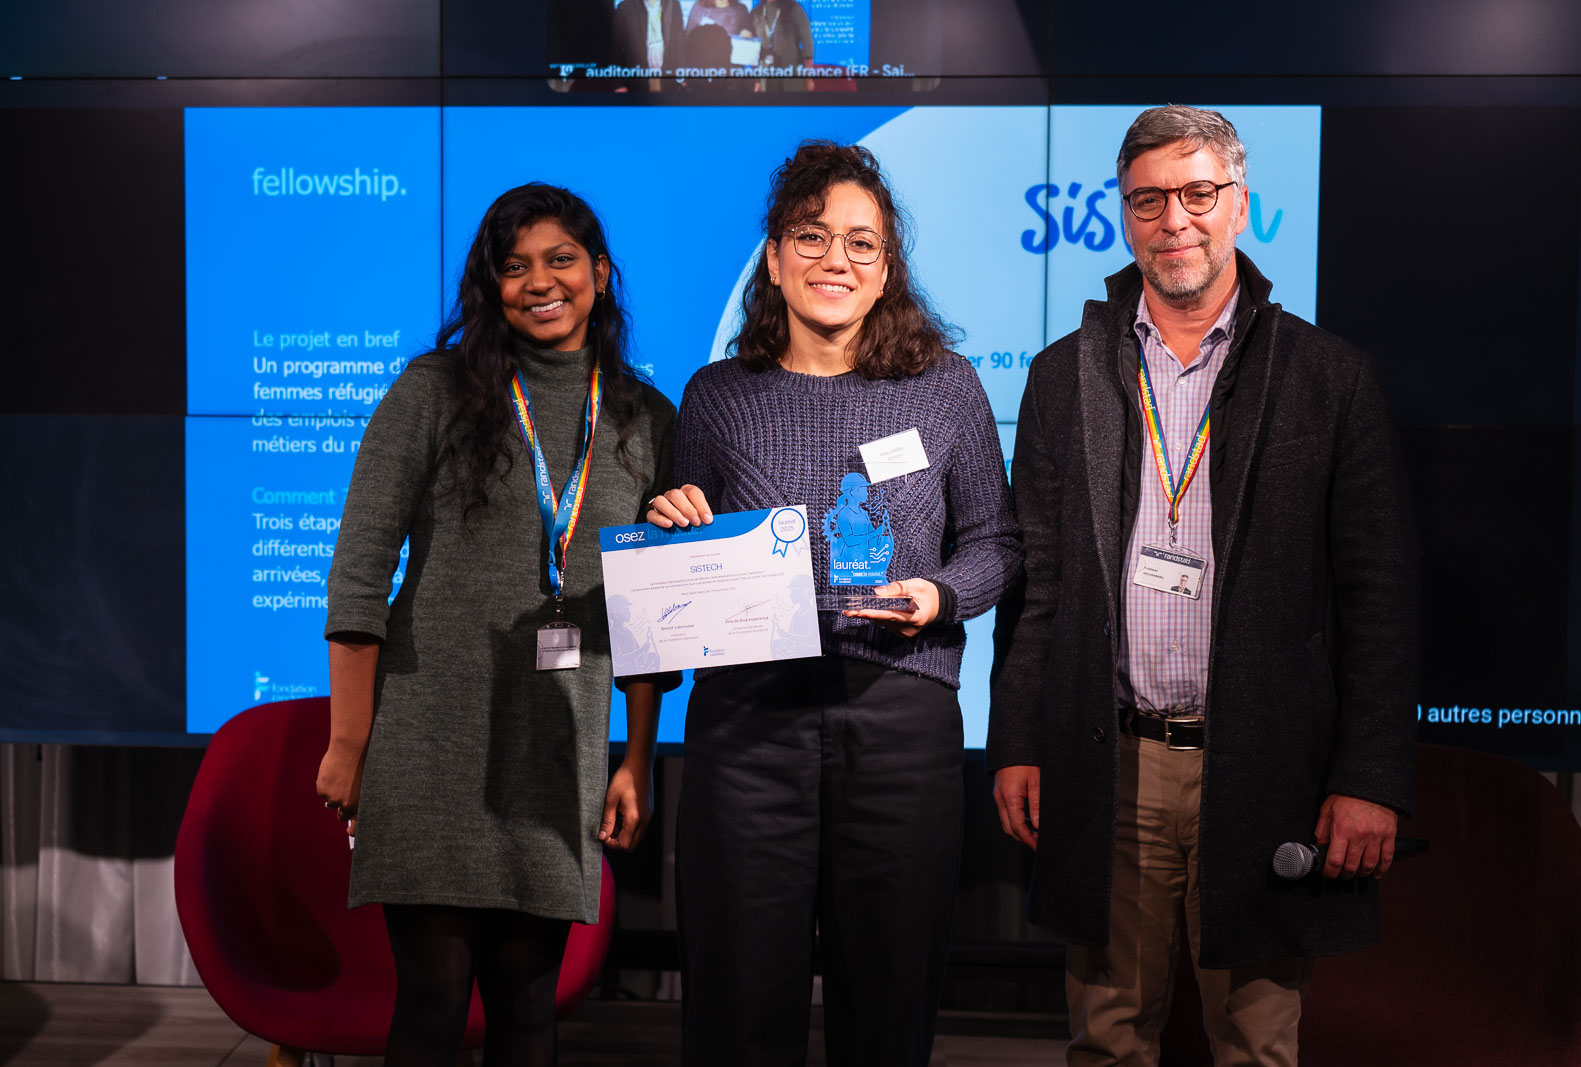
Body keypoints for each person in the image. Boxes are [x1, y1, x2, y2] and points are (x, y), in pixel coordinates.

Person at [989, 105, 1419, 1066]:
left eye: (1197, 193)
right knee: (1106, 1043)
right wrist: (1016, 740)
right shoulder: (1063, 376)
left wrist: (1367, 778)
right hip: (1111, 764)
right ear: (1124, 214)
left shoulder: (1327, 378)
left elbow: (1379, 603)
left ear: (1240, 204)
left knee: (1256, 1048)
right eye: (1148, 200)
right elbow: (1038, 585)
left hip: (1262, 769)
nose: (1173, 219)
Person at [648, 141, 1022, 1065]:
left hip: (901, 720)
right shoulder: (716, 397)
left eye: (862, 242)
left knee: (888, 1007)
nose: (836, 260)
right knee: (738, 1010)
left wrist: (940, 594)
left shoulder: (946, 387)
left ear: (887, 267)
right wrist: (673, 528)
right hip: (747, 726)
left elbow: (997, 544)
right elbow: (681, 571)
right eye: (811, 237)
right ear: (774, 259)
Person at [315, 183, 678, 1067]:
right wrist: (349, 743)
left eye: (561, 260)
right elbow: (359, 571)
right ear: (491, 285)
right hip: (428, 745)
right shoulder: (434, 390)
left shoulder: (646, 417)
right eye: (514, 266)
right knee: (432, 1002)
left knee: (527, 1008)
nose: (539, 282)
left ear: (599, 273)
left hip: (557, 750)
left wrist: (635, 759)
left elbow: (651, 615)